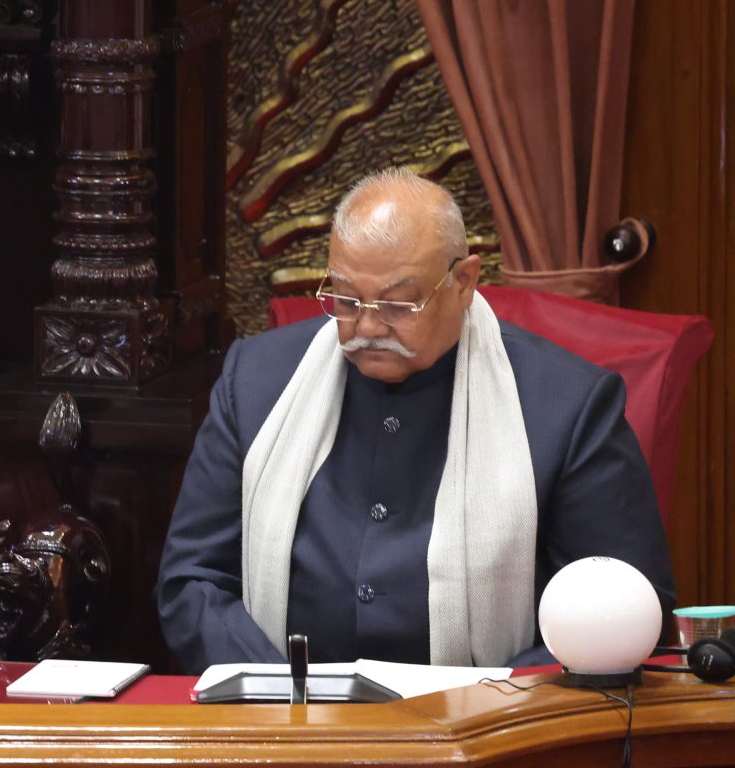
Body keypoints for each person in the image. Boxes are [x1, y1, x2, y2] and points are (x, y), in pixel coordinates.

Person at [157, 168, 674, 672]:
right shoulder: (256, 382)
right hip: (288, 725)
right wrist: (278, 692)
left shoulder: (566, 404)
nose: (366, 326)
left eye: (399, 304)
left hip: (493, 738)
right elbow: (192, 580)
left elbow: (625, 610)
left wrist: (495, 707)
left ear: (465, 282)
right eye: (345, 299)